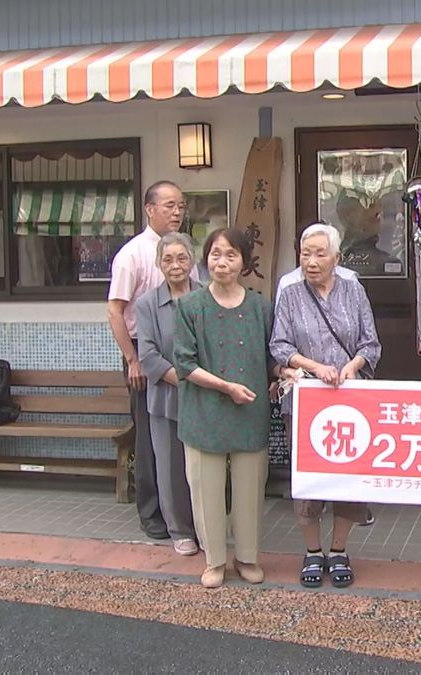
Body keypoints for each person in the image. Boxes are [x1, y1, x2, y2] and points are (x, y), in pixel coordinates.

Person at [270, 223, 381, 589]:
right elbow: (279, 344)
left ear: (337, 257)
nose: (312, 261)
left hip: (351, 400)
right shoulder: (290, 291)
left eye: (320, 254)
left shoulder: (354, 290)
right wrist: (315, 367)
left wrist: (351, 367)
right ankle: (313, 551)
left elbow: (371, 343)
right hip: (306, 400)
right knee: (308, 478)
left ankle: (339, 549)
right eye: (306, 253)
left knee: (348, 478)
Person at [174, 228, 276, 588]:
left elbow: (270, 357)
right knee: (206, 489)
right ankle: (214, 560)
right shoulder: (189, 307)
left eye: (231, 255)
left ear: (245, 262)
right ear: (206, 259)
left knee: (250, 490)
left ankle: (247, 557)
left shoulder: (261, 306)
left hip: (250, 411)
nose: (222, 262)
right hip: (204, 411)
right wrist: (225, 387)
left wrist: (286, 371)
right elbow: (184, 364)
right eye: (216, 254)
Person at [107, 180, 193, 539]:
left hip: (185, 355)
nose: (177, 212)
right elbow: (115, 311)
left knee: (181, 438)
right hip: (146, 352)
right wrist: (133, 359)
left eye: (181, 206)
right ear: (149, 209)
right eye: (169, 205)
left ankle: (186, 513)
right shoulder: (133, 254)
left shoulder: (185, 250)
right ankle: (151, 512)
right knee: (149, 438)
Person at [134, 232, 200, 557]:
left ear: (192, 261)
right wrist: (186, 380)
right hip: (167, 397)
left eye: (182, 258)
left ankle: (205, 526)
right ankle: (180, 530)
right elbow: (147, 355)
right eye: (168, 259)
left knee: (204, 466)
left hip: (205, 398)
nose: (175, 266)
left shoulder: (207, 296)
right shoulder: (147, 303)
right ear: (159, 264)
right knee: (171, 468)